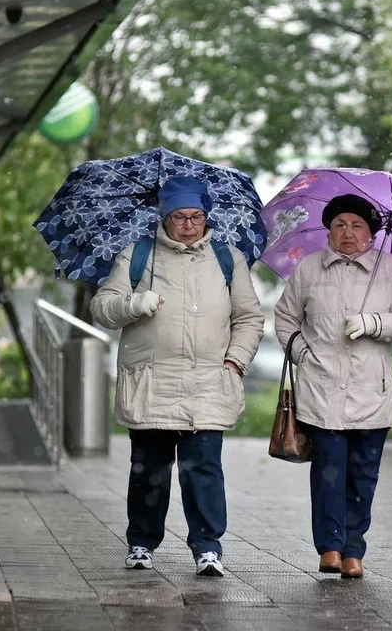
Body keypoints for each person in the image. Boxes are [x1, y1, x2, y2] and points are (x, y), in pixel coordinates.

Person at [90, 175, 264, 578]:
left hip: (208, 381)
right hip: (152, 381)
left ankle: (207, 547)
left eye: (197, 216)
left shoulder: (227, 258)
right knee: (149, 467)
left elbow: (250, 317)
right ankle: (141, 542)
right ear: (164, 217)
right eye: (180, 217)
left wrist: (235, 362)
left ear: (207, 217)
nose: (189, 225)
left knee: (203, 468)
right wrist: (134, 304)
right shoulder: (138, 255)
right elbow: (102, 308)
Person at [274, 193, 392, 579]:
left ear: (371, 232)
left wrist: (373, 322)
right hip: (321, 389)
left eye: (357, 225)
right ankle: (330, 547)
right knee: (327, 470)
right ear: (329, 230)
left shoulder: (390, 270)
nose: (348, 232)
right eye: (340, 225)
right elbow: (285, 320)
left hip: (372, 392)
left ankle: (354, 549)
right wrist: (304, 354)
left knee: (362, 474)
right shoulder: (308, 269)